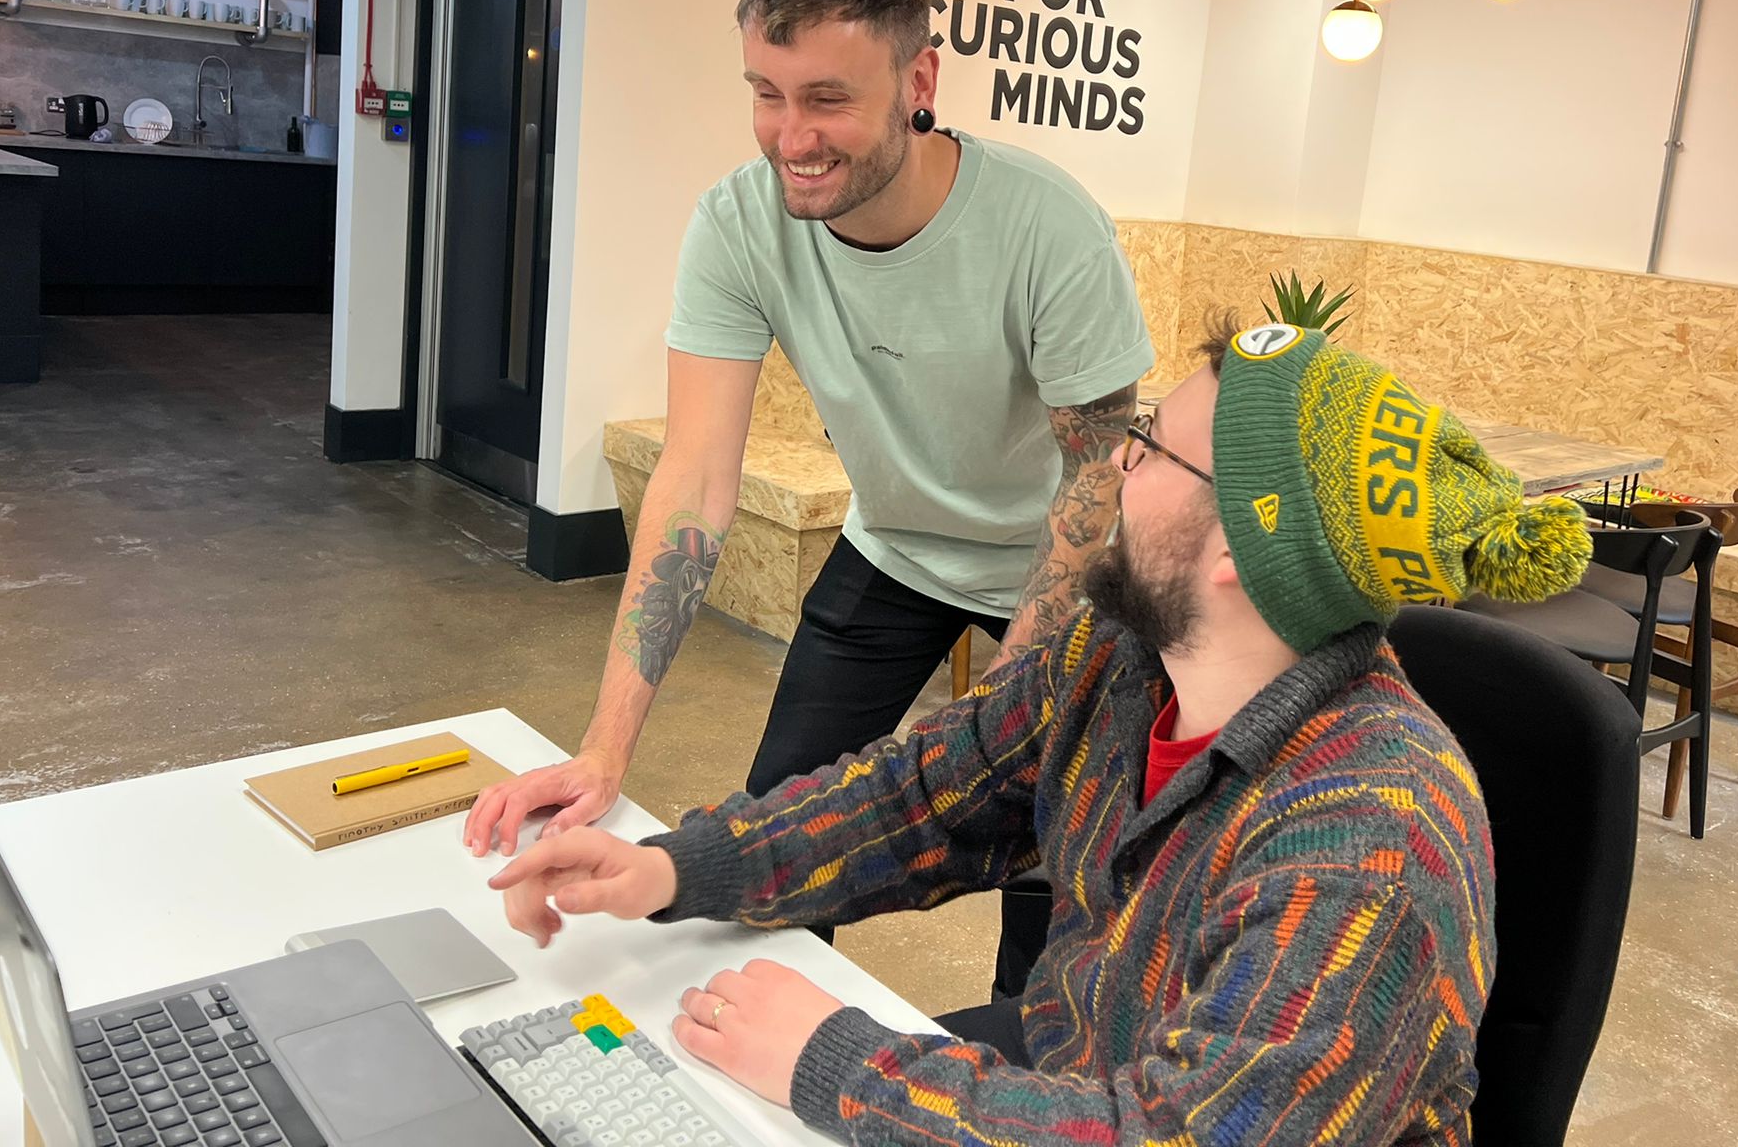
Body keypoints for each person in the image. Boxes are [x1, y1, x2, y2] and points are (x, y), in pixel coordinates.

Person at [485, 317, 1595, 1146]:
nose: (1116, 463)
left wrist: (841, 1066)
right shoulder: (1118, 659)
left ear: (1237, 551)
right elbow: (919, 799)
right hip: (1071, 1067)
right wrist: (675, 867)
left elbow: (1180, 1135)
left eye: (1151, 449)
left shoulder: (1367, 848)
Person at [465, 0, 1153, 997]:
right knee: (784, 831)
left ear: (918, 81)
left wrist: (997, 725)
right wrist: (603, 750)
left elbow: (1096, 483)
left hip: (1057, 564)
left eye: (827, 98)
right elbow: (695, 481)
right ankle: (756, 1037)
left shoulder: (1046, 226)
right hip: (895, 552)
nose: (792, 137)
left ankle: (1031, 1054)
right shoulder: (738, 224)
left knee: (1053, 857)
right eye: (766, 94)